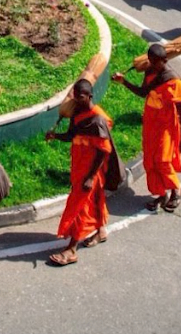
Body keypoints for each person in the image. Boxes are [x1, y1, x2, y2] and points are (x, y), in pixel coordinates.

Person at [45, 79, 119, 266]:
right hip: (79, 166)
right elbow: (72, 135)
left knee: (79, 206)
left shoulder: (97, 119)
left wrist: (91, 176)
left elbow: (104, 150)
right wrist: (55, 135)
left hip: (90, 170)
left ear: (90, 96)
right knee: (94, 200)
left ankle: (71, 249)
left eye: (82, 97)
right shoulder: (77, 112)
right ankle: (100, 230)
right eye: (76, 97)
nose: (78, 100)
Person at [112, 43, 181, 212]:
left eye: (156, 62)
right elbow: (143, 92)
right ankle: (161, 194)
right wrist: (123, 81)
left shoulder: (173, 80)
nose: (153, 64)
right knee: (150, 160)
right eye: (151, 61)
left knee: (162, 161)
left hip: (166, 126)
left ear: (164, 60)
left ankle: (176, 189)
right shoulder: (150, 71)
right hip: (150, 123)